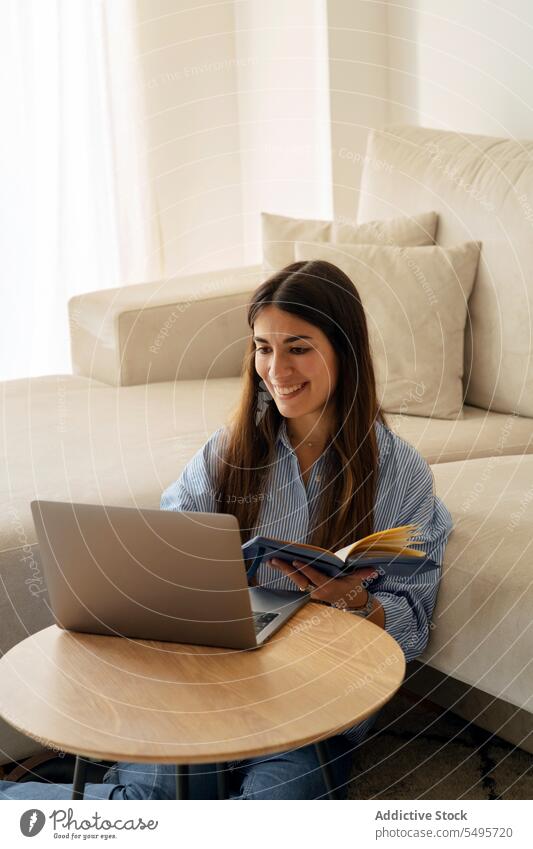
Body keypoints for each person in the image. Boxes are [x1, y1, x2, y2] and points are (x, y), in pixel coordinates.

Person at [0, 260, 452, 800]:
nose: (277, 369)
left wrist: (354, 600)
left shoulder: (400, 471)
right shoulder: (230, 452)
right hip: (205, 687)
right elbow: (164, 545)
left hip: (313, 706)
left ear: (345, 351)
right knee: (155, 806)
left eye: (298, 347)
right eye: (264, 347)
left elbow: (414, 621)